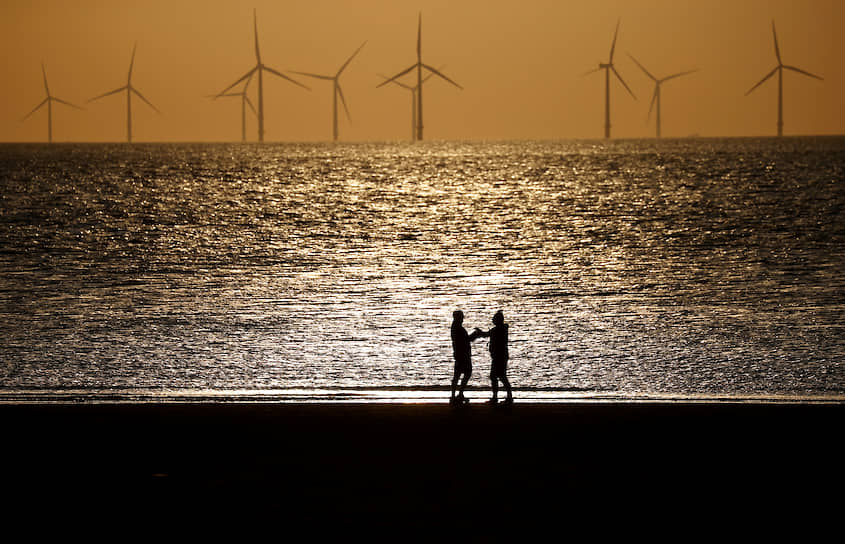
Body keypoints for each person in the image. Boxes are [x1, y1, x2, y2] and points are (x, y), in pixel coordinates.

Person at [476, 310, 513, 405]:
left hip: (498, 357)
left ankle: (498, 397)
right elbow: (487, 334)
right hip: (501, 356)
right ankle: (506, 396)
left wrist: (479, 332)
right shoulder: (501, 329)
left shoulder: (497, 330)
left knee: (497, 376)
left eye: (494, 319)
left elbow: (485, 334)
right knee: (501, 376)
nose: (493, 320)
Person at [450, 310, 482, 404]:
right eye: (462, 317)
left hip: (459, 354)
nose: (463, 319)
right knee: (466, 373)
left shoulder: (455, 327)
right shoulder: (458, 328)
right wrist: (476, 334)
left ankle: (455, 395)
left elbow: (465, 340)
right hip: (462, 354)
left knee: (458, 375)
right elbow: (466, 340)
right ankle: (459, 394)